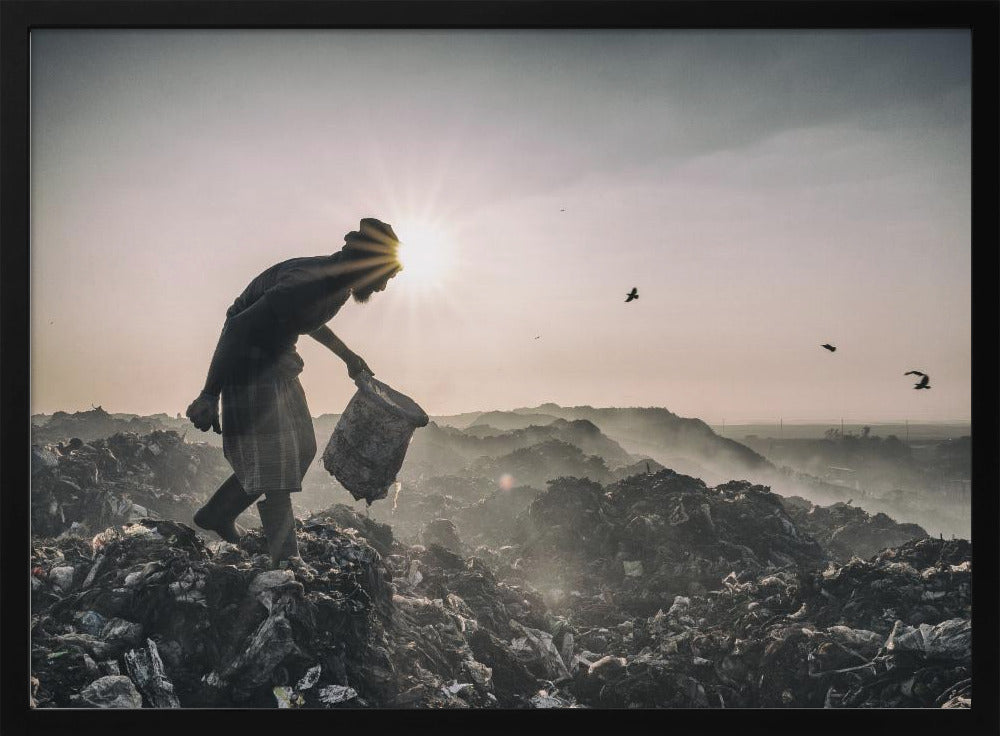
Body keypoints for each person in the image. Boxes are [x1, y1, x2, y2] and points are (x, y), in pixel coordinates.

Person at [185, 218, 402, 568]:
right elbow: (239, 327)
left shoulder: (339, 285)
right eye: (384, 277)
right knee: (277, 465)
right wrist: (209, 395)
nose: (382, 288)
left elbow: (306, 319)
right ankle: (287, 560)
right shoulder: (306, 282)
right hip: (248, 367)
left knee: (302, 449)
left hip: (279, 362)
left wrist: (348, 356)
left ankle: (217, 513)